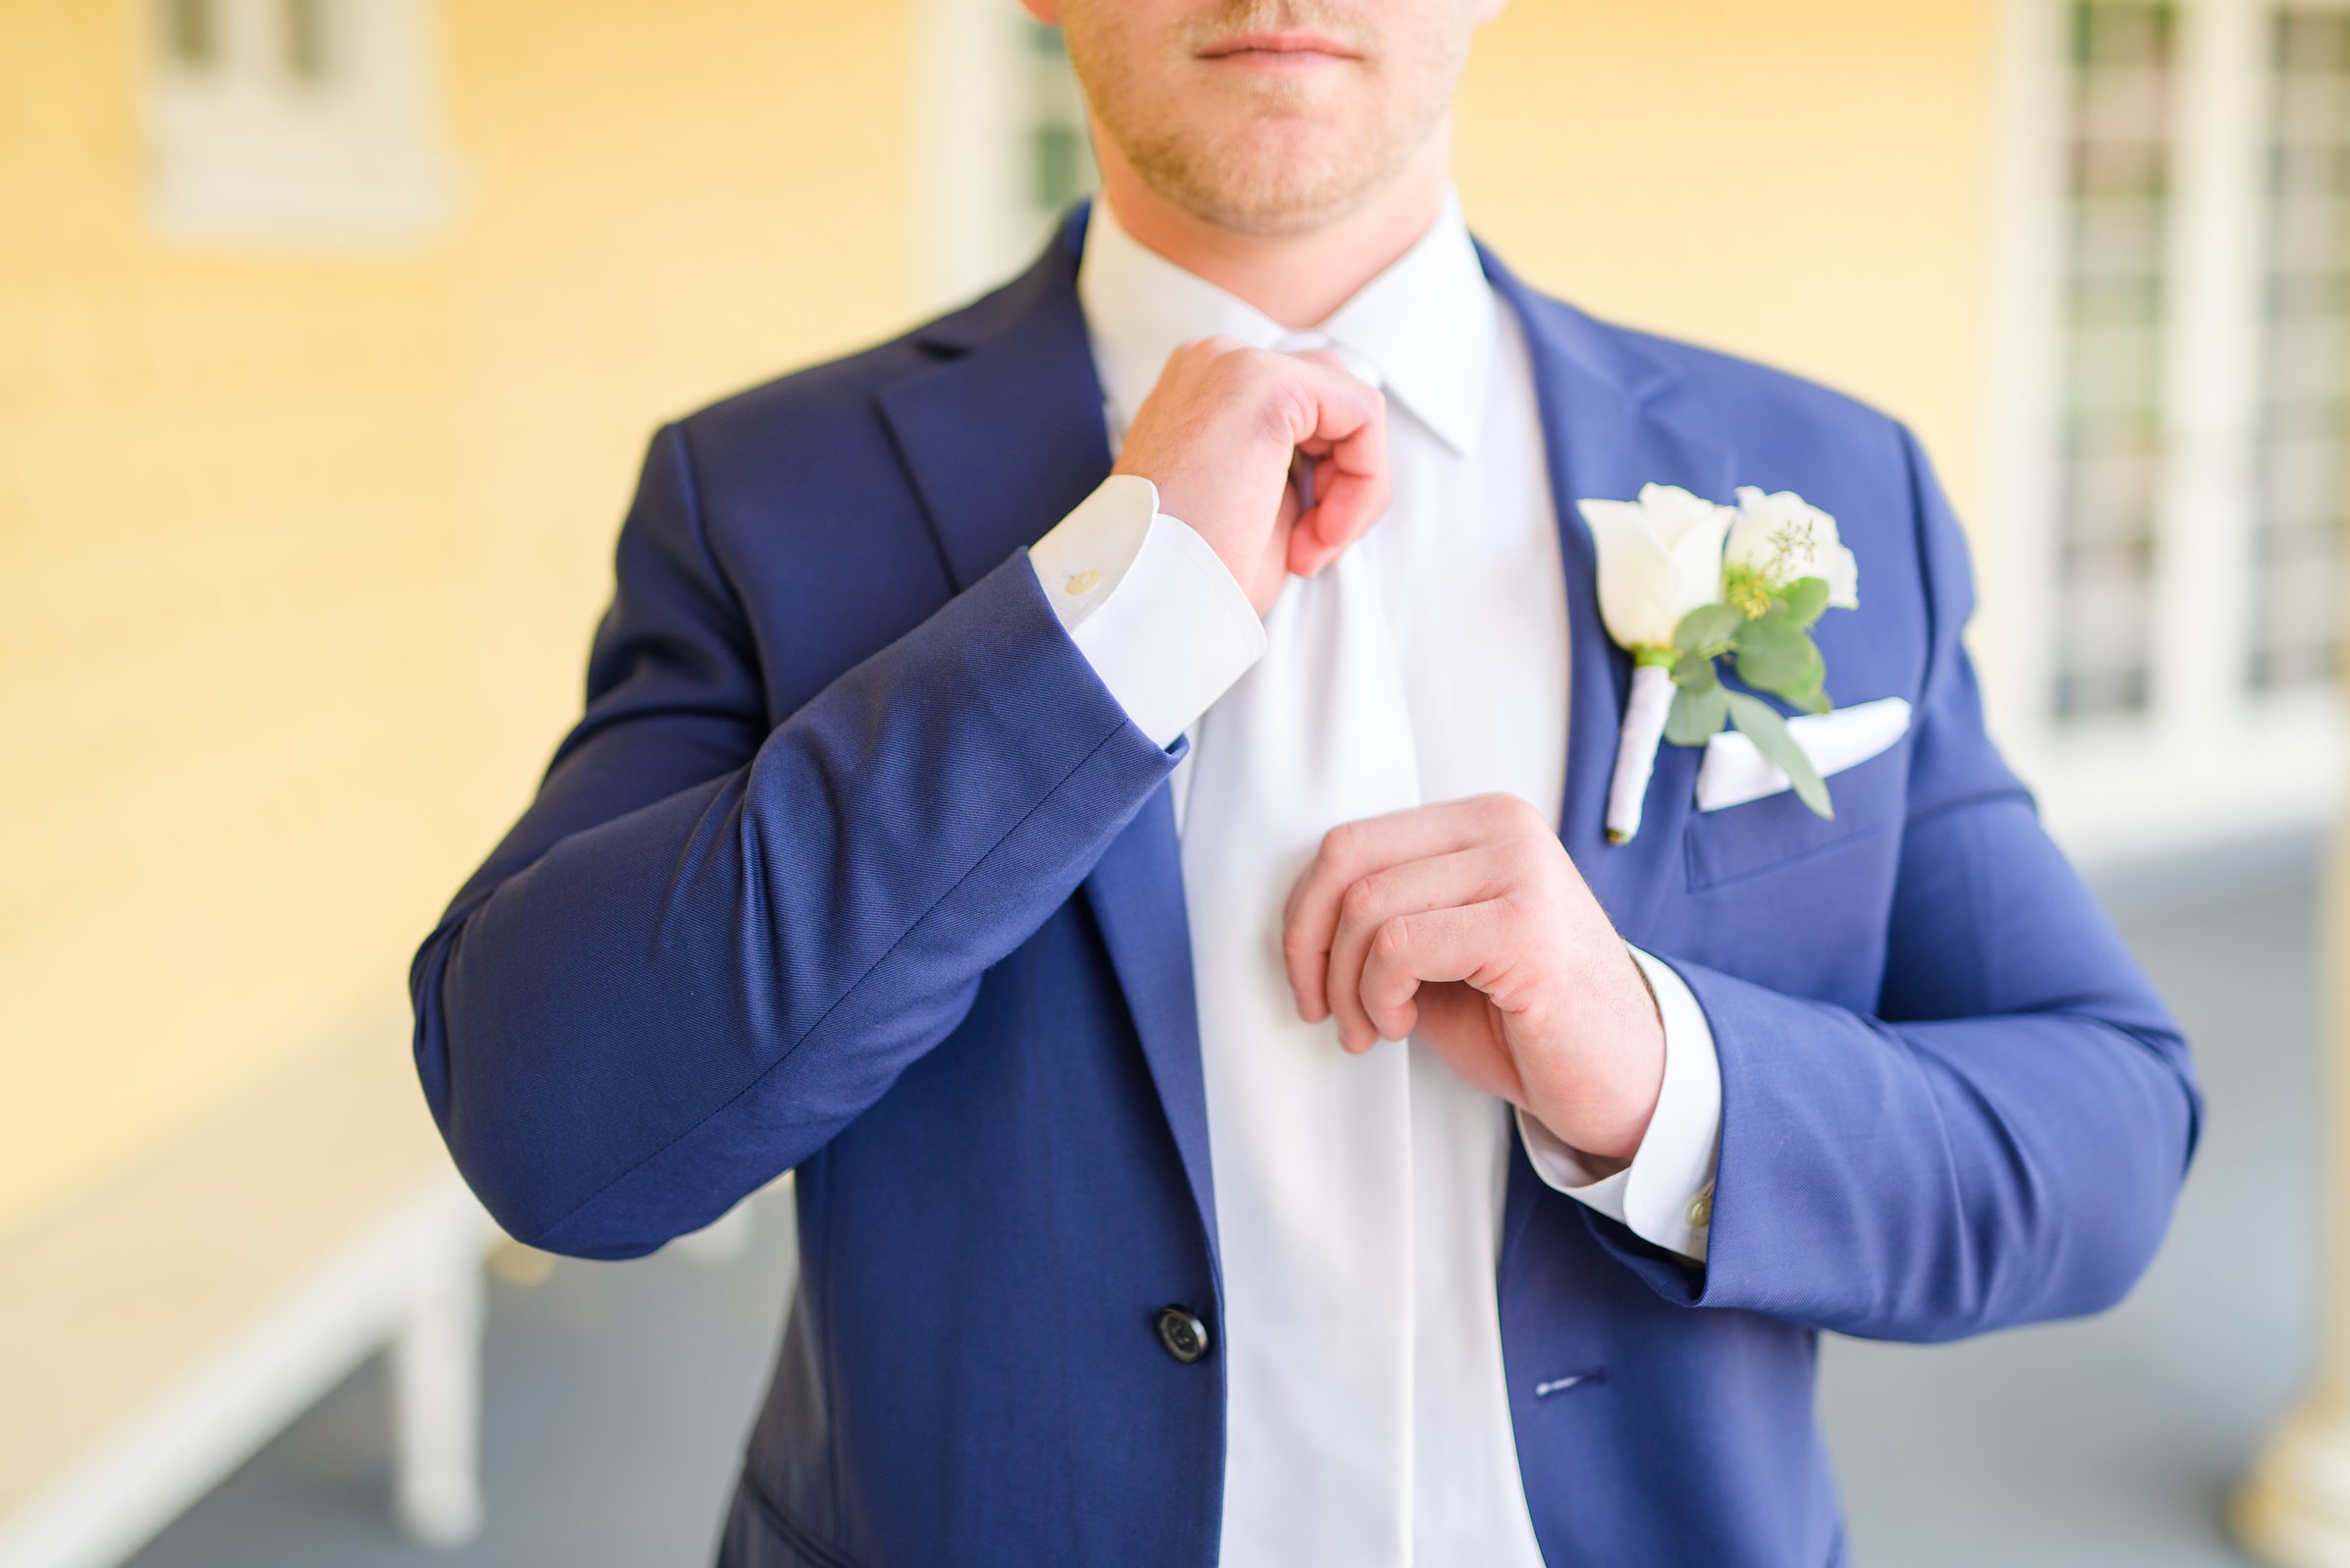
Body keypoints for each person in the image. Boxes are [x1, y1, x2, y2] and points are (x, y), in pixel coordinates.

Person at [407, 2, 2205, 1563]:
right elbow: (557, 1124)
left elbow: (2107, 1128)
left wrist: (1662, 1075)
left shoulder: (1822, 479)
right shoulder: (767, 492)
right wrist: (1104, 625)